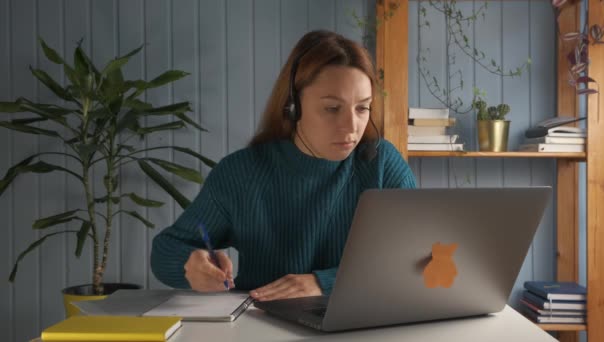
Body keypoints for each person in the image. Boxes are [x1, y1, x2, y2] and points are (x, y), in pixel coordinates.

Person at [151, 30, 416, 302]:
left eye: (362, 108)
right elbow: (165, 250)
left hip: (361, 322)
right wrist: (189, 264)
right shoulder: (241, 172)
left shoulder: (382, 163)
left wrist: (323, 283)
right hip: (262, 325)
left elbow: (416, 255)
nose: (352, 126)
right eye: (332, 108)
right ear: (293, 107)